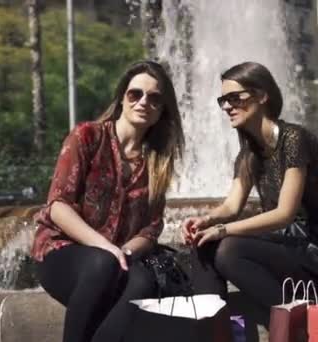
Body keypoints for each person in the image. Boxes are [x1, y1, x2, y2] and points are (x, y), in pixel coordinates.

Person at [181, 61, 318, 325]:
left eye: (234, 98)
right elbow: (230, 207)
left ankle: (299, 326)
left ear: (262, 96)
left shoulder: (294, 140)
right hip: (289, 247)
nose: (227, 106)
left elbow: (285, 214)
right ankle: (212, 332)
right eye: (223, 100)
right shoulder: (248, 154)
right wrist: (206, 222)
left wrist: (224, 230)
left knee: (228, 251)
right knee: (202, 245)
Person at [32, 60, 184, 342]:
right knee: (103, 263)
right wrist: (108, 249)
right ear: (122, 98)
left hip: (116, 260)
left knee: (143, 281)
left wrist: (123, 252)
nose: (143, 102)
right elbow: (58, 206)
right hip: (62, 251)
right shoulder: (88, 136)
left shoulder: (157, 162)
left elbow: (150, 230)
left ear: (162, 109)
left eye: (154, 98)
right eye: (135, 94)